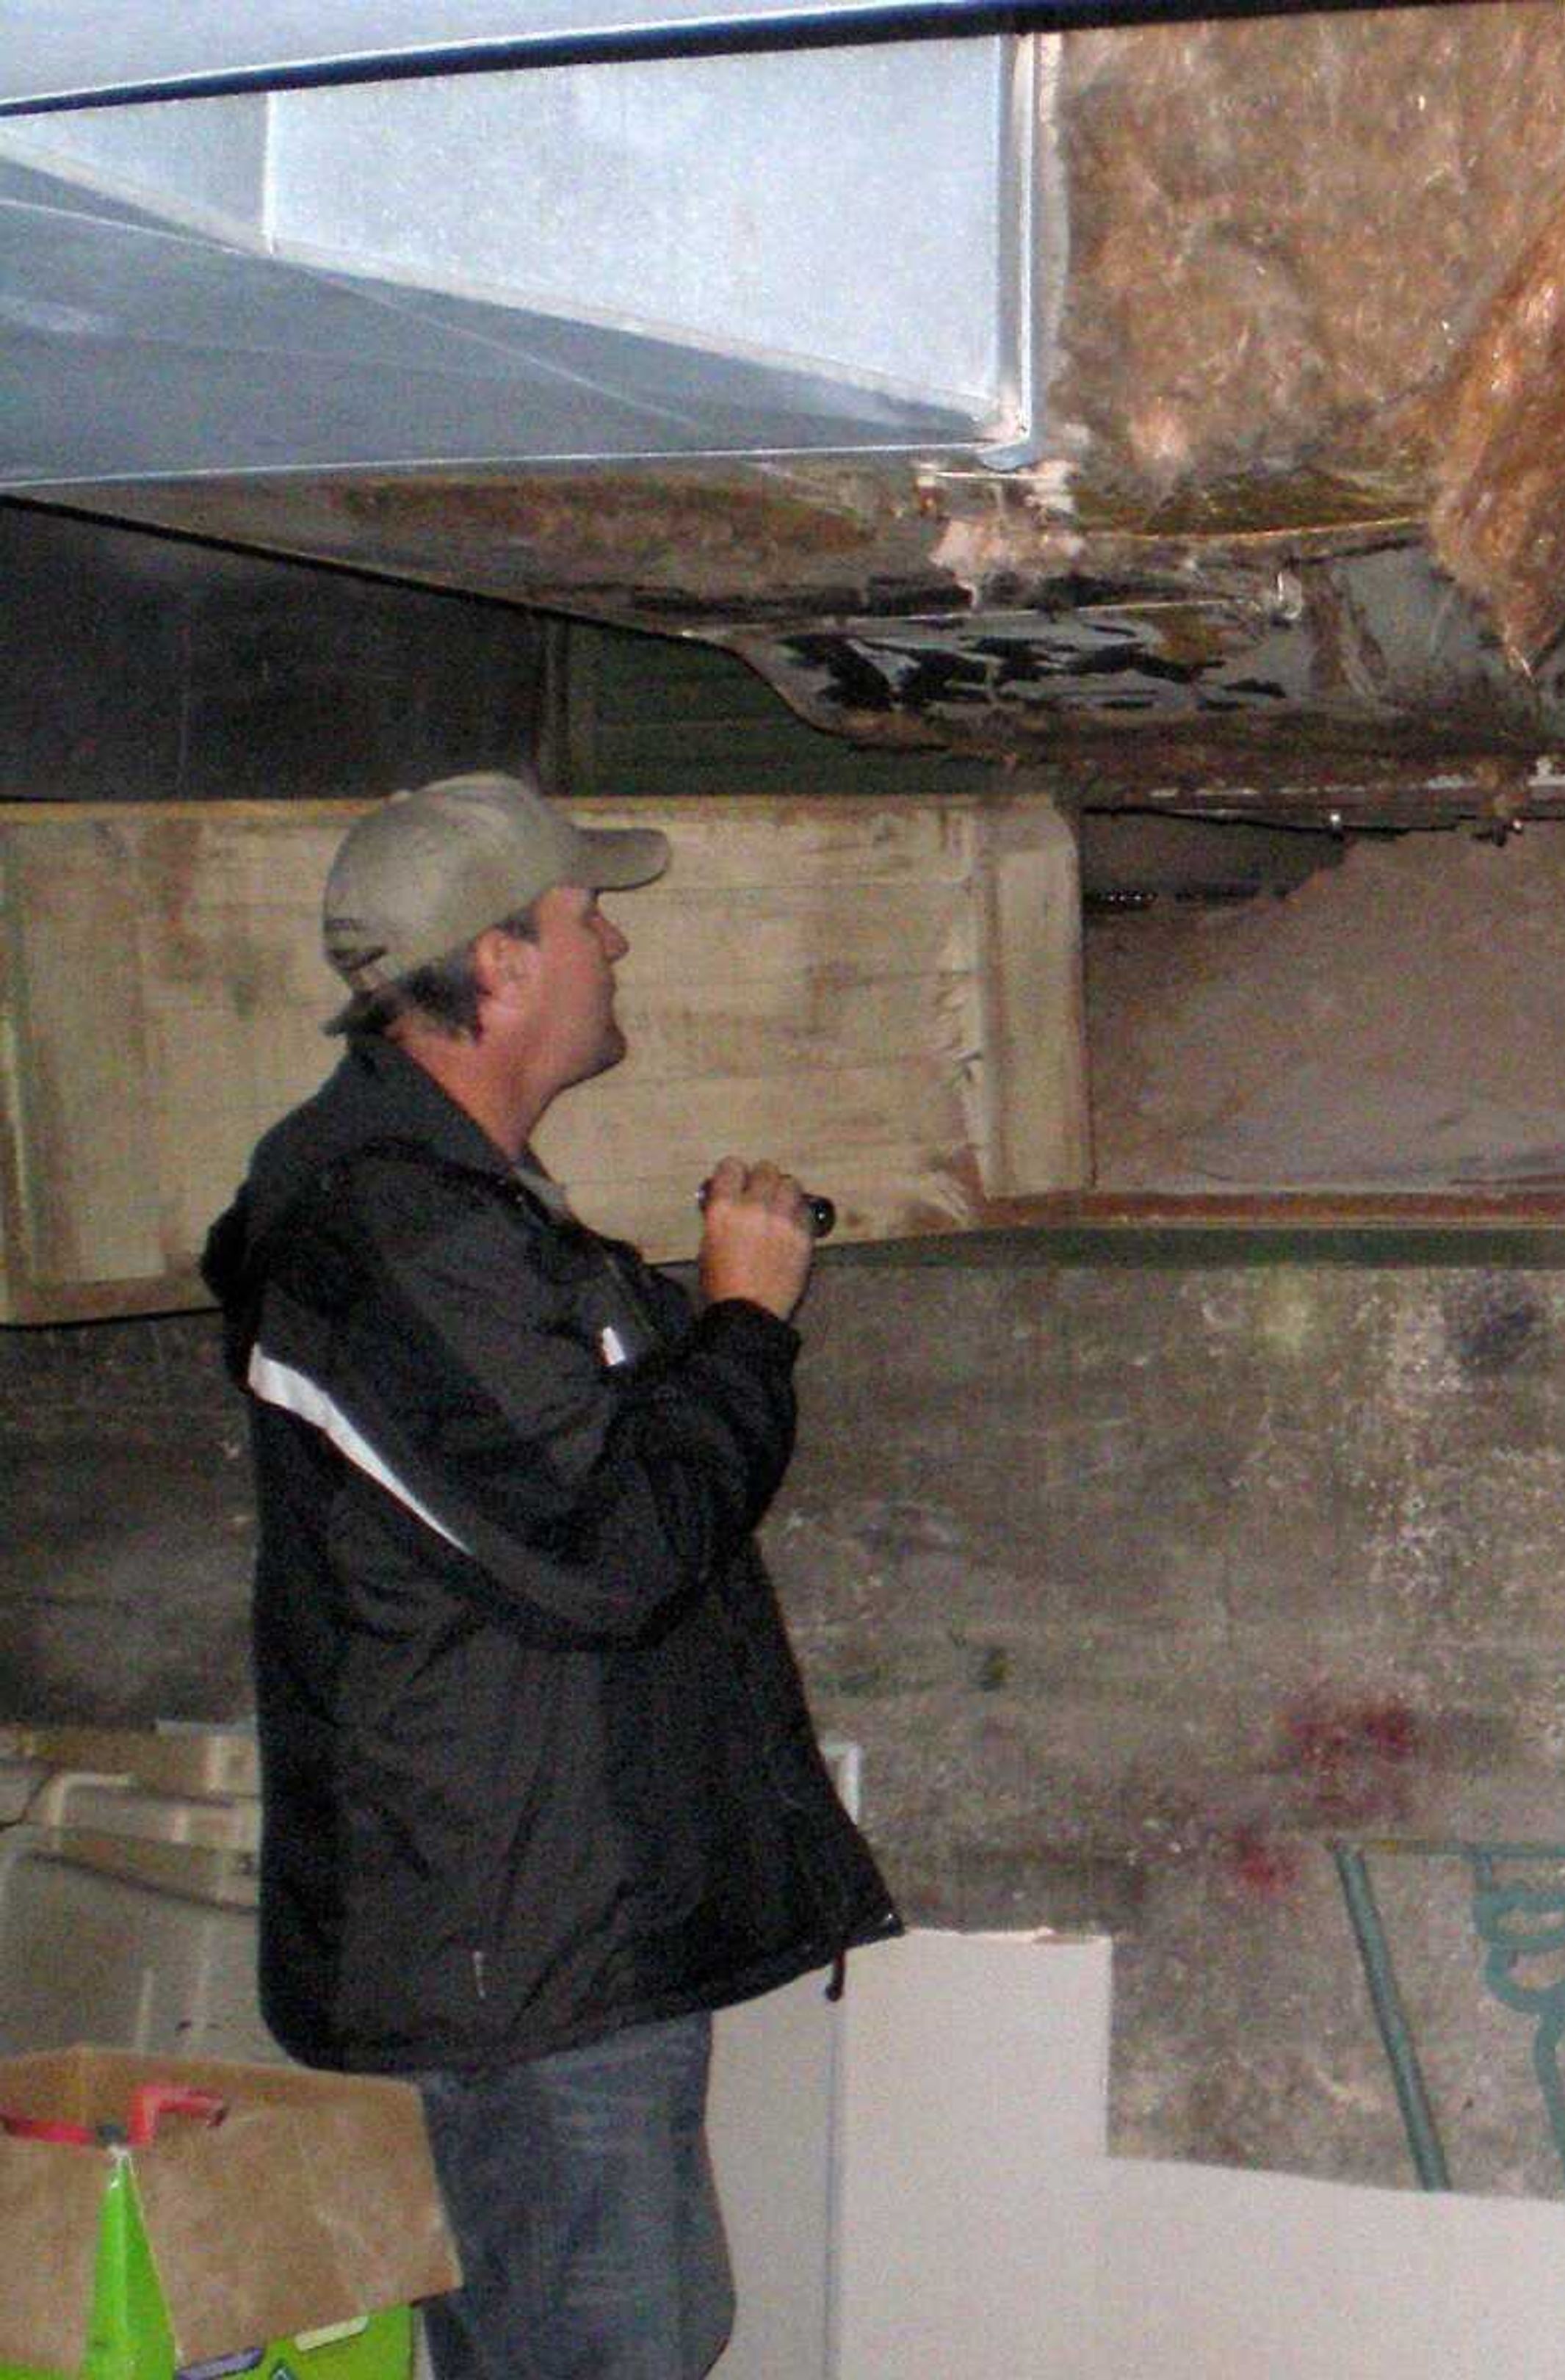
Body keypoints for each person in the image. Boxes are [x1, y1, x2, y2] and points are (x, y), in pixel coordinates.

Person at [200, 771, 900, 2380]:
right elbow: (614, 1549)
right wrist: (741, 1322)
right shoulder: (393, 1230)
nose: (618, 949)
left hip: (545, 1935)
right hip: (516, 1968)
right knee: (607, 2353)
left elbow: (563, 1490)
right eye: (592, 918)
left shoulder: (447, 1212)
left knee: (651, 2331)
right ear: (498, 964)